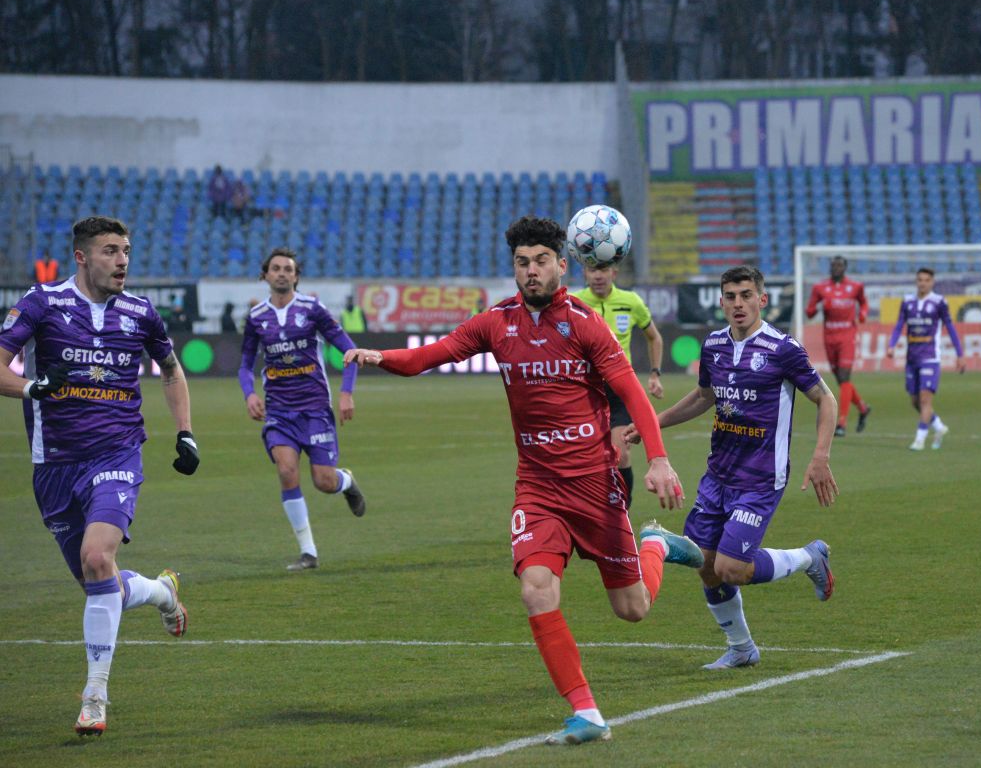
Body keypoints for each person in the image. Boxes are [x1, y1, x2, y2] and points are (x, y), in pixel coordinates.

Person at [344, 216, 692, 746]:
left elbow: (634, 395)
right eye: (522, 263)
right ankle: (587, 712)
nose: (530, 272)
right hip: (538, 487)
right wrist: (379, 356)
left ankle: (656, 545)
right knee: (536, 590)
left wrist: (659, 460)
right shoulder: (494, 323)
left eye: (541, 261)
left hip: (595, 485)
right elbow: (426, 358)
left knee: (633, 609)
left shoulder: (585, 324)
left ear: (562, 263)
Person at [0, 216, 199, 736]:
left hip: (116, 453)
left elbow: (172, 369)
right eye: (111, 251)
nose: (123, 261)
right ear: (83, 257)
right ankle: (160, 591)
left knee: (97, 557)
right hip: (54, 465)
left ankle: (95, 694)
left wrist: (185, 432)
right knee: (98, 583)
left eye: (127, 250)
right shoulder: (43, 304)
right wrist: (32, 388)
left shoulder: (140, 311)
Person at [624, 265, 838, 670]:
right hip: (718, 475)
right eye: (730, 296)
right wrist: (653, 424)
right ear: (720, 301)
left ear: (762, 299)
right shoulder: (714, 345)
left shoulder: (783, 349)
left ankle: (810, 558)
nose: (737, 304)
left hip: (759, 478)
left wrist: (820, 456)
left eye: (745, 295)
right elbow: (704, 396)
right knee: (706, 566)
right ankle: (741, 648)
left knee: (731, 567)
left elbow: (825, 399)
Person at [239, 248, 367, 571]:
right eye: (276, 268)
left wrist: (346, 393)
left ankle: (346, 481)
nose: (282, 273)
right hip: (280, 412)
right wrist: (249, 394)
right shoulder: (256, 318)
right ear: (266, 275)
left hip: (314, 409)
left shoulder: (312, 310)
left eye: (288, 269)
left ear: (296, 276)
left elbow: (349, 351)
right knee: (286, 470)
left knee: (323, 481)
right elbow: (244, 366)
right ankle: (308, 552)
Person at [572, 261, 664, 507]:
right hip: (586, 388)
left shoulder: (631, 301)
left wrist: (655, 373)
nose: (598, 276)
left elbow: (654, 338)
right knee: (585, 456)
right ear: (585, 273)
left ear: (614, 272)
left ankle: (622, 509)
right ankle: (588, 509)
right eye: (593, 270)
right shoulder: (573, 303)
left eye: (603, 270)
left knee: (620, 453)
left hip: (620, 387)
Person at [886, 267, 964, 451]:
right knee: (914, 401)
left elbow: (951, 328)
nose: (923, 283)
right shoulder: (907, 302)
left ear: (932, 282)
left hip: (930, 357)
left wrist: (960, 354)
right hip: (911, 358)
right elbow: (899, 325)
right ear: (916, 281)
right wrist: (892, 344)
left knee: (925, 400)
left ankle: (919, 439)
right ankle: (938, 426)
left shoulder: (939, 302)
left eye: (926, 280)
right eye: (920, 279)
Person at [805, 255, 870, 436]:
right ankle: (863, 408)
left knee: (844, 376)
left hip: (847, 335)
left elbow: (864, 303)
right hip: (829, 336)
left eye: (839, 265)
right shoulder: (820, 288)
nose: (836, 268)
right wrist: (815, 308)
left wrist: (863, 314)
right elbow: (809, 312)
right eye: (833, 265)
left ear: (845, 268)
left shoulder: (856, 287)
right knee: (841, 380)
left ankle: (841, 423)